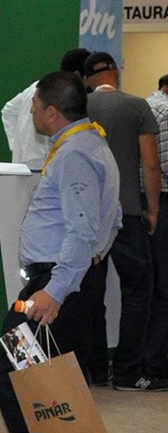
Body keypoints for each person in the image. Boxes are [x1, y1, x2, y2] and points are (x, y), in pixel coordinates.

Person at [0, 71, 122, 432]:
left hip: (55, 285)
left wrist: (55, 291)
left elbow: (82, 231)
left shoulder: (75, 154)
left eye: (35, 104)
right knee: (58, 386)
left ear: (52, 112)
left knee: (15, 376)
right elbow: (112, 220)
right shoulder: (91, 144)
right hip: (68, 281)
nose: (31, 111)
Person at [84, 51, 168, 391]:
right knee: (138, 290)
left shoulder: (79, 106)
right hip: (127, 211)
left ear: (87, 79)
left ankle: (95, 369)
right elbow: (150, 164)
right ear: (116, 73)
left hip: (89, 213)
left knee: (91, 292)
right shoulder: (137, 106)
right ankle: (127, 372)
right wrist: (153, 209)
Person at [0, 48, 90, 169]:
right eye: (88, 78)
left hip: (26, 162)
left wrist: (16, 145)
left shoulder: (39, 86)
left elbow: (8, 111)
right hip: (40, 164)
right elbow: (8, 111)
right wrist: (17, 145)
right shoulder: (59, 94)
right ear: (78, 76)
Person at [144, 74, 168, 378]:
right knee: (164, 289)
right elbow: (160, 165)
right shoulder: (166, 111)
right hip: (161, 202)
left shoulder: (147, 105)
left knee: (154, 286)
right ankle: (155, 361)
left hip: (148, 203)